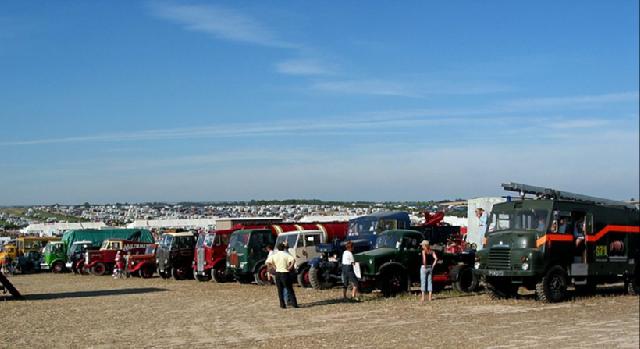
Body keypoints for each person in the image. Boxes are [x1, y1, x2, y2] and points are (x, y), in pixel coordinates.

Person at [265, 243, 298, 309]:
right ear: (283, 248)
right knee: (289, 289)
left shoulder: (275, 255)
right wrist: (290, 267)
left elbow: (267, 262)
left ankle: (282, 305)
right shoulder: (286, 255)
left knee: (280, 290)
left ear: (277, 248)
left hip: (278, 273)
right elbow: (293, 260)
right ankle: (294, 304)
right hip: (285, 273)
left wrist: (274, 267)